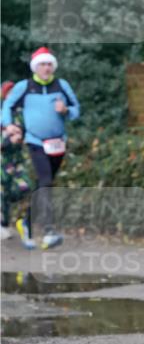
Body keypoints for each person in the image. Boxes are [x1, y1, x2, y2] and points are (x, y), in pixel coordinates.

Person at [1, 48, 80, 249]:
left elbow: (76, 109)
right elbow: (7, 106)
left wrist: (66, 110)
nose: (46, 67)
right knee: (45, 181)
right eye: (42, 64)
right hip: (35, 142)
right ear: (35, 67)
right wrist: (9, 125)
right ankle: (48, 231)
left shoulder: (61, 85)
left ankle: (25, 223)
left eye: (49, 64)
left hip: (58, 143)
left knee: (44, 185)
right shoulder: (25, 86)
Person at [1, 80, 31, 240]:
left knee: (25, 187)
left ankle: (20, 220)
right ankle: (2, 225)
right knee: (2, 192)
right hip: (2, 161)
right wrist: (7, 141)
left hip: (18, 161)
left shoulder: (22, 114)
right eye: (9, 92)